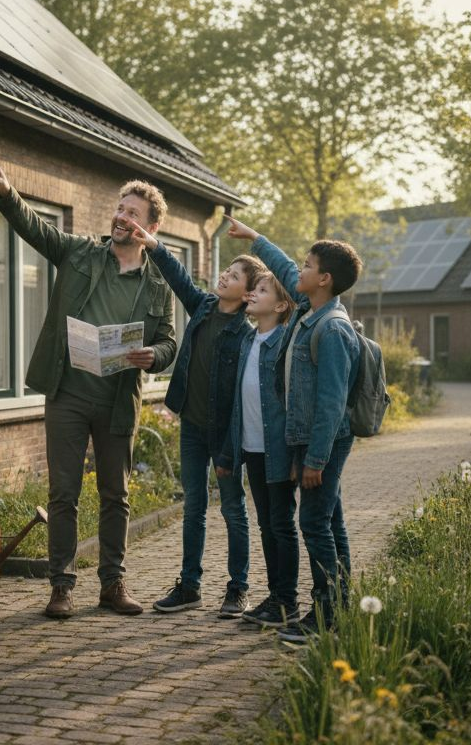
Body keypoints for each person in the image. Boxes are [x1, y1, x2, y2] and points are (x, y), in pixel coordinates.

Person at [0, 155, 178, 619]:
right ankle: (61, 587)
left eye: (132, 213)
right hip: (68, 393)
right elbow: (36, 230)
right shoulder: (81, 253)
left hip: (117, 402)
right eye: (119, 208)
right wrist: (8, 194)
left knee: (117, 495)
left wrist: (156, 356)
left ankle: (113, 585)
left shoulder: (157, 284)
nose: (122, 217)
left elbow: (169, 340)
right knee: (63, 494)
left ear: (150, 228)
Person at [225, 217, 363, 643]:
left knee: (316, 525)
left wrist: (316, 459)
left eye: (307, 266)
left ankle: (327, 616)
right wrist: (256, 239)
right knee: (328, 522)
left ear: (323, 279)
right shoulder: (309, 310)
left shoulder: (332, 328)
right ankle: (337, 607)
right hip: (310, 443)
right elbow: (284, 270)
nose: (297, 272)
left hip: (325, 444)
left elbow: (332, 402)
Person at [122, 219, 263, 617]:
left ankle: (238, 589)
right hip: (192, 427)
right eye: (226, 270)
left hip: (224, 435)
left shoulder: (246, 334)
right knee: (193, 508)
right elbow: (179, 277)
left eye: (234, 275)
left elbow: (240, 400)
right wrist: (153, 245)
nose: (225, 275)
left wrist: (229, 452)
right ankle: (190, 586)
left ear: (248, 292)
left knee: (233, 510)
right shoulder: (202, 307)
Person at [217, 270, 298, 628]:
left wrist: (298, 454)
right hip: (251, 449)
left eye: (262, 290)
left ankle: (288, 601)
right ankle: (276, 596)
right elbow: (237, 403)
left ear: (281, 305)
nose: (253, 293)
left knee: (281, 524)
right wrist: (231, 453)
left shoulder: (285, 342)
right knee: (266, 525)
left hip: (278, 450)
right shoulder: (249, 341)